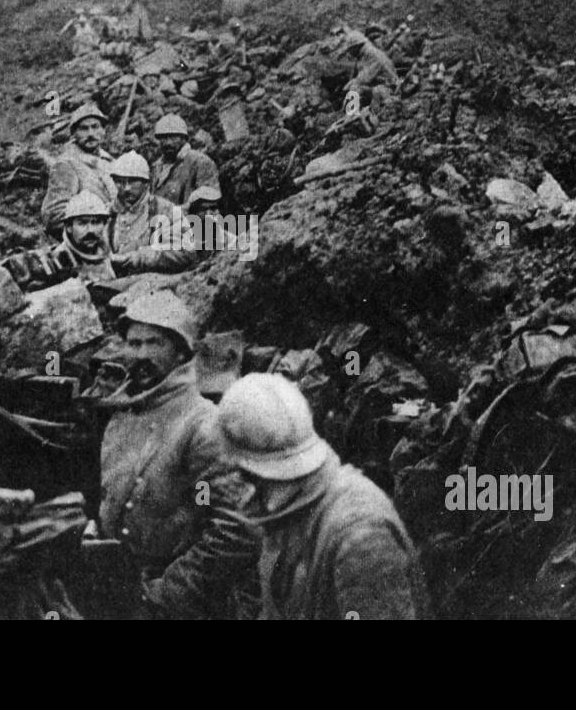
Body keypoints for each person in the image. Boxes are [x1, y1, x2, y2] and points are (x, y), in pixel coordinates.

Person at [98, 291, 259, 618]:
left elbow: (238, 529)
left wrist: (169, 592)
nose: (141, 354)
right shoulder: (121, 417)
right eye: (133, 343)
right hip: (121, 590)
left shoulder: (203, 425)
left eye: (154, 343)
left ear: (180, 351)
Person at [216, 373, 429, 620]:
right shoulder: (295, 506)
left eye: (246, 475)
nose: (244, 493)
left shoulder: (359, 536)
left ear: (261, 473)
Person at [108, 151, 198, 275]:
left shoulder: (166, 210)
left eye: (133, 181)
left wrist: (140, 258)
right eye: (120, 181)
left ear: (146, 183)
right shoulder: (107, 214)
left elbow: (186, 252)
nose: (126, 188)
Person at [40, 103, 116, 237]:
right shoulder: (66, 164)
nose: (91, 133)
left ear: (104, 131)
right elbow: (54, 216)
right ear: (74, 133)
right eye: (84, 129)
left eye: (95, 127)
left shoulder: (111, 163)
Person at [151, 114, 220, 207]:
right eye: (163, 138)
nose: (168, 142)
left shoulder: (199, 162)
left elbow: (208, 202)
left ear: (184, 138)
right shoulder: (157, 167)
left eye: (173, 137)